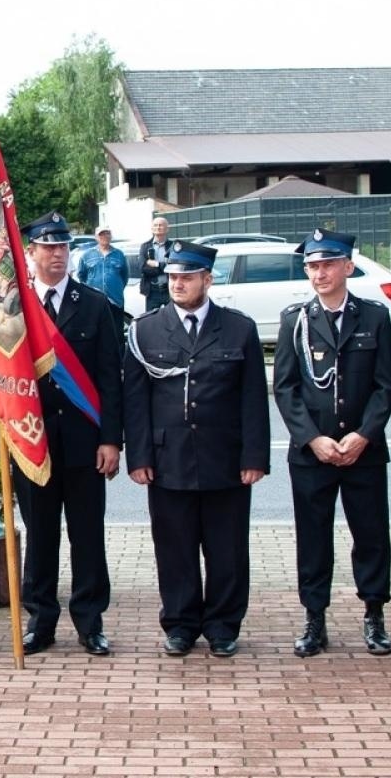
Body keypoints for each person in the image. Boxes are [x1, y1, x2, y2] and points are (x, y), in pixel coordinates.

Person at [123, 240, 267, 658]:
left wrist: (254, 457)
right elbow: (136, 400)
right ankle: (181, 623)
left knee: (227, 548)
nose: (178, 283)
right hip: (168, 460)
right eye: (172, 277)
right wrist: (141, 457)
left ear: (208, 278)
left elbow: (253, 399)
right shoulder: (145, 329)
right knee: (175, 547)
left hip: (225, 458)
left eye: (187, 276)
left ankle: (223, 625)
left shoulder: (238, 329)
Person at [273, 229, 391, 658]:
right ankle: (314, 619)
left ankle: (375, 615)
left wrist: (364, 434)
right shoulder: (295, 319)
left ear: (348, 266)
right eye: (312, 265)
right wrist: (313, 439)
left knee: (371, 535)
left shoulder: (374, 317)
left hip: (363, 450)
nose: (319, 273)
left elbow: (385, 386)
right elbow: (285, 389)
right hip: (314, 454)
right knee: (313, 538)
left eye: (328, 264)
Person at [17, 211, 123, 656]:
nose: (56, 254)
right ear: (32, 253)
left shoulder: (95, 304)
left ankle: (89, 620)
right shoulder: (16, 308)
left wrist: (111, 440)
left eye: (62, 247)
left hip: (83, 442)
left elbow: (110, 379)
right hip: (33, 441)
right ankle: (41, 620)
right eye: (47, 247)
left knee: (87, 535)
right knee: (40, 535)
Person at [75, 226, 129, 311]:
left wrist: (116, 287)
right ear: (96, 237)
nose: (105, 236)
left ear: (111, 236)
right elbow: (81, 276)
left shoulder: (119, 254)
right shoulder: (86, 255)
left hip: (115, 301)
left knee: (116, 324)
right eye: (101, 234)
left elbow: (125, 276)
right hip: (93, 302)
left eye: (107, 233)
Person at [138, 216, 172, 312]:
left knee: (172, 318)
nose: (158, 227)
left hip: (169, 290)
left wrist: (156, 264)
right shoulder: (145, 246)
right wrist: (164, 266)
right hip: (152, 290)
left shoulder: (173, 246)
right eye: (155, 225)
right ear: (152, 228)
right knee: (151, 320)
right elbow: (142, 268)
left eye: (161, 225)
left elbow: (174, 266)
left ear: (167, 228)